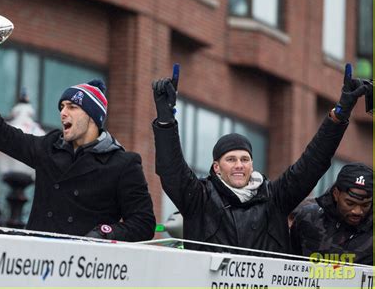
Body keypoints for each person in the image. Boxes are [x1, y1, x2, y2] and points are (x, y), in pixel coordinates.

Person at [151, 64, 370, 254]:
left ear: (252, 165)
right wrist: (165, 121)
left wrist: (339, 115)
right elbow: (171, 170)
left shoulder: (275, 199)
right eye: (231, 159)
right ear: (216, 167)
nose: (239, 165)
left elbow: (313, 162)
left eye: (245, 159)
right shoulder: (198, 199)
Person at [0, 46, 156, 241]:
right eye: (62, 107)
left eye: (73, 107)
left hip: (85, 269)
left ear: (93, 117)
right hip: (35, 262)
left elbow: (144, 223)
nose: (63, 113)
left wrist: (104, 233)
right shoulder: (49, 147)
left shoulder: (123, 164)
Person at [291, 163, 373, 265]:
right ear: (336, 194)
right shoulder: (308, 218)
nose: (357, 211)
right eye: (350, 203)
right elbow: (287, 263)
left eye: (365, 205)